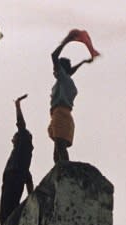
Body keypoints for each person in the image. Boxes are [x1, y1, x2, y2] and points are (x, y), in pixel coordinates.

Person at [48, 33, 95, 164]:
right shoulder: (67, 81)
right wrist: (83, 62)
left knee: (60, 148)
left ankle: (66, 171)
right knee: (57, 150)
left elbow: (53, 56)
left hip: (60, 114)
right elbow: (70, 71)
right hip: (63, 115)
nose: (53, 70)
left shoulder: (63, 79)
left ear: (61, 69)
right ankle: (61, 171)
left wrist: (66, 41)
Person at [0, 95, 34, 225]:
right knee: (7, 214)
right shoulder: (22, 157)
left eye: (14, 137)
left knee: (6, 214)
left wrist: (18, 107)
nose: (12, 140)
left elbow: (21, 125)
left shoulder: (21, 148)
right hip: (12, 179)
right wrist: (32, 196)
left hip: (13, 179)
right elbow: (28, 179)